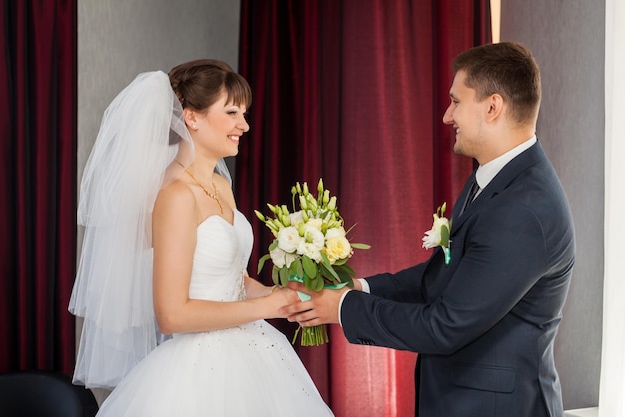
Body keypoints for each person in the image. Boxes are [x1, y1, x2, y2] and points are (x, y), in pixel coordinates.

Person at [283, 41, 575, 417]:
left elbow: (446, 325)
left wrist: (342, 308)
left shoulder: (524, 208)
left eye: (456, 101)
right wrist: (360, 287)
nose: (446, 116)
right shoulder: (490, 179)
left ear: (492, 106)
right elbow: (447, 276)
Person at [68, 59, 333, 416]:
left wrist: (285, 297)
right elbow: (172, 314)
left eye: (244, 113)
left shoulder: (220, 185)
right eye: (233, 112)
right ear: (192, 117)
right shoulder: (176, 195)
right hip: (198, 368)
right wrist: (268, 307)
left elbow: (235, 280)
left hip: (254, 351)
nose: (245, 124)